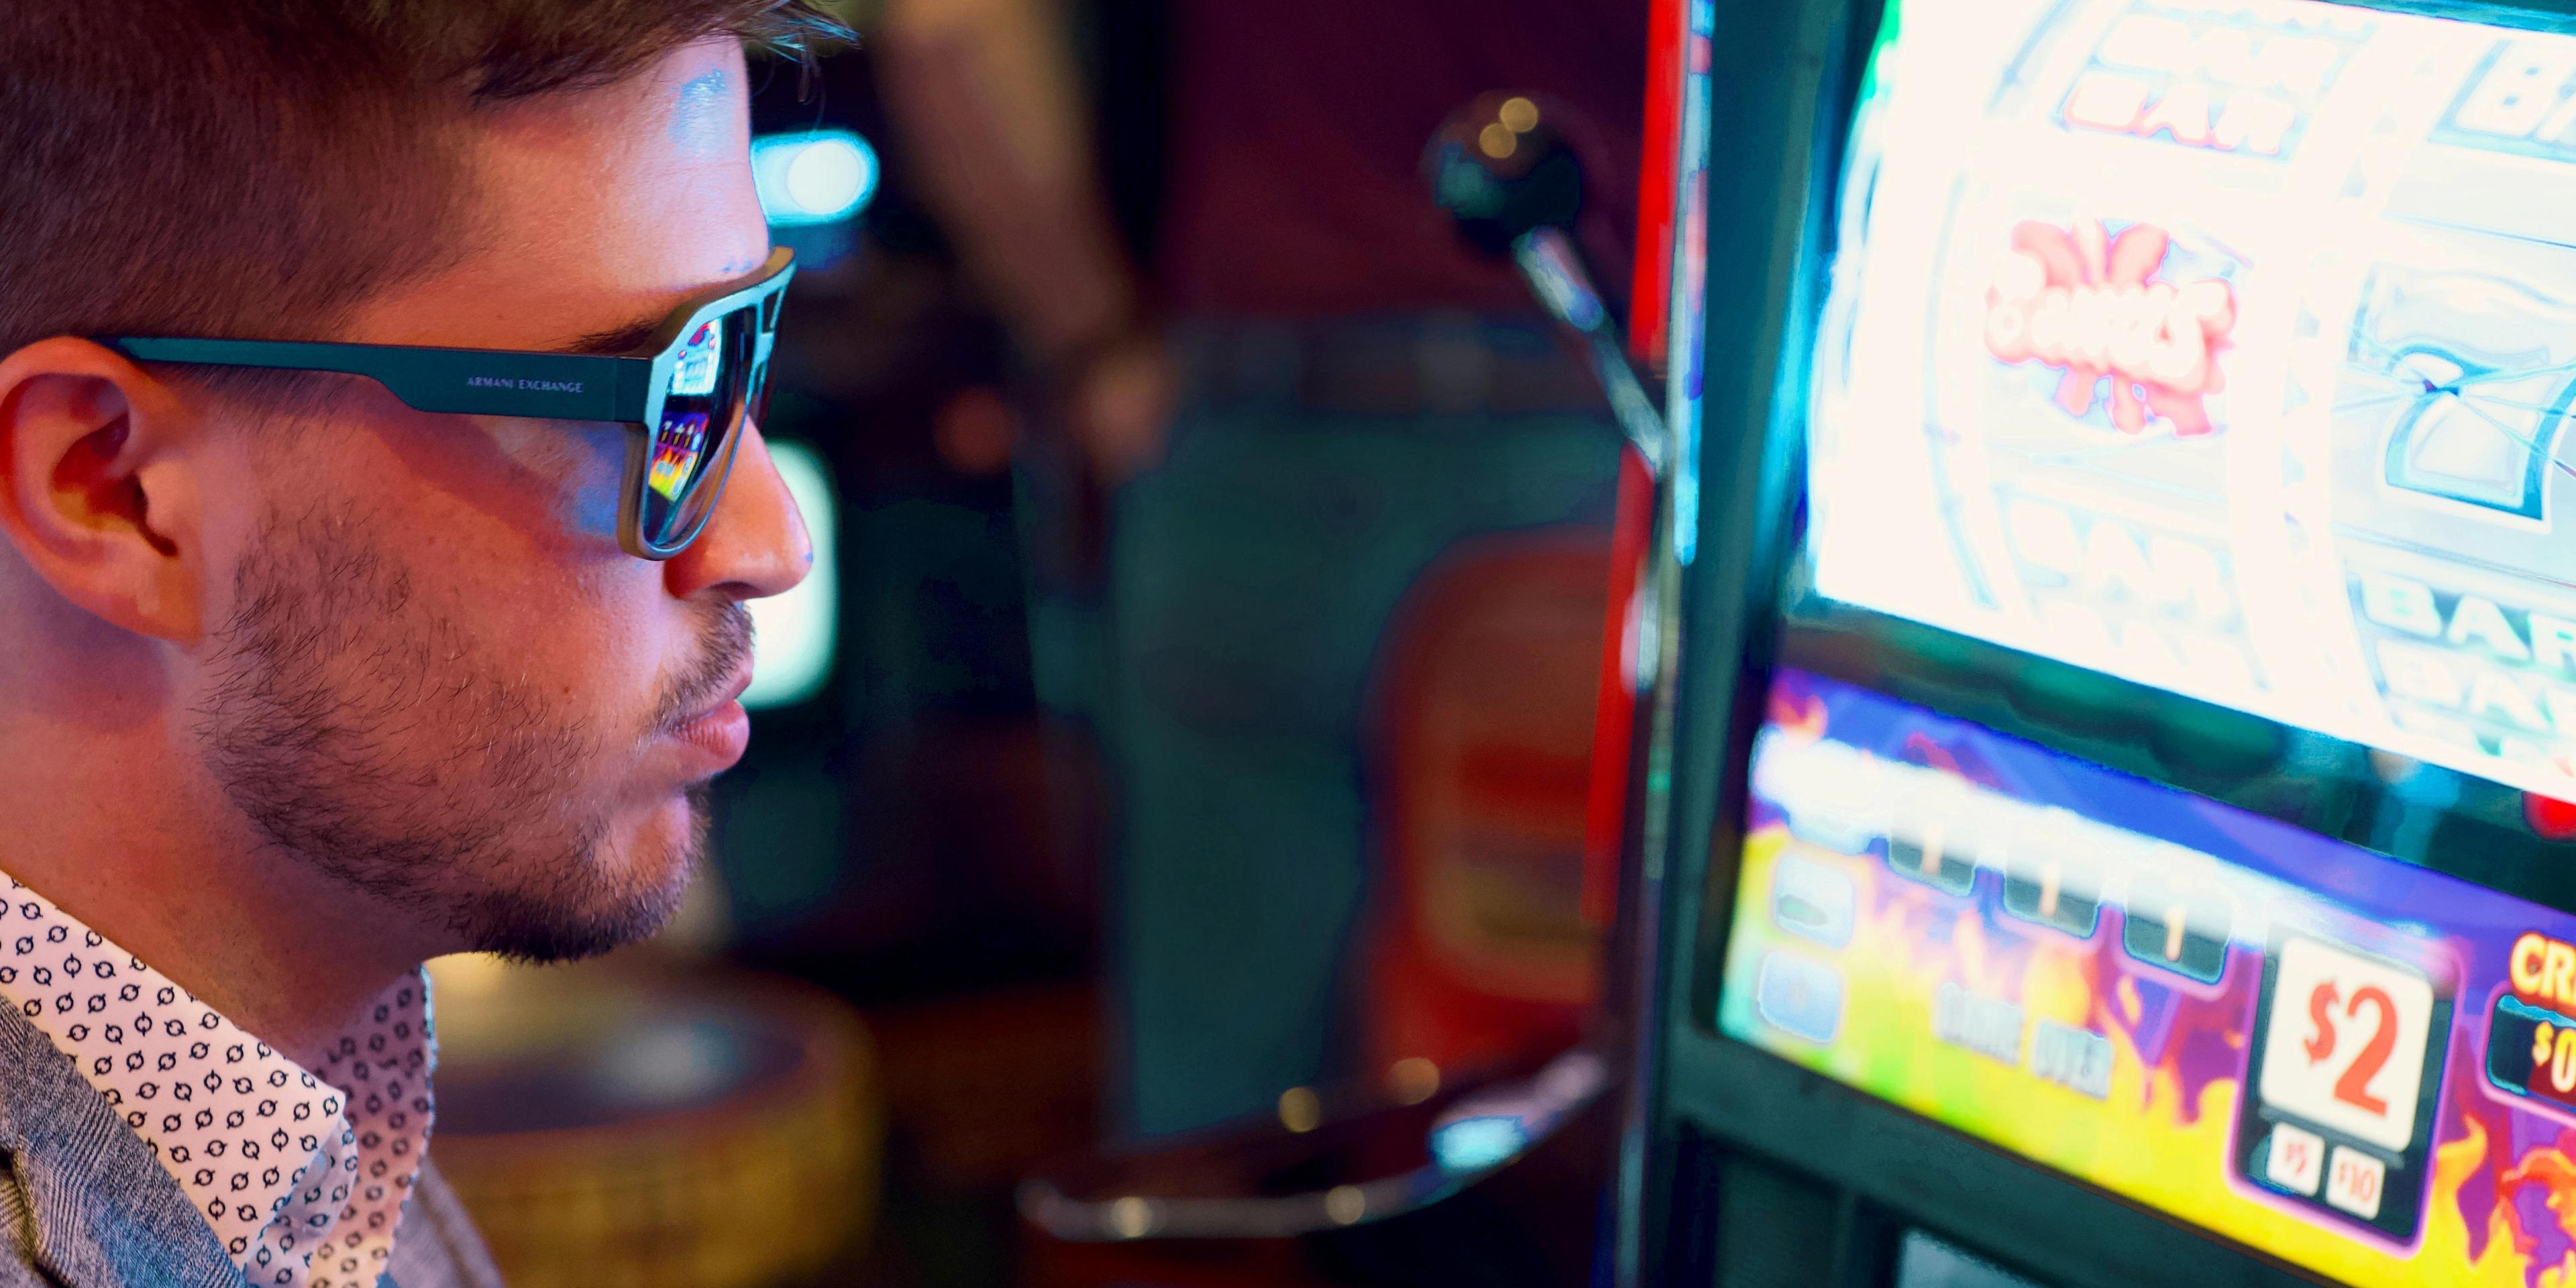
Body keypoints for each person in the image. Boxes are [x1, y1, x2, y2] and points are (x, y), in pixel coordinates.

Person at [0, 2, 839, 1283]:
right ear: (109, 492)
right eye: (665, 393)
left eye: (747, 350)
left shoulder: (297, 1137)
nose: (771, 541)